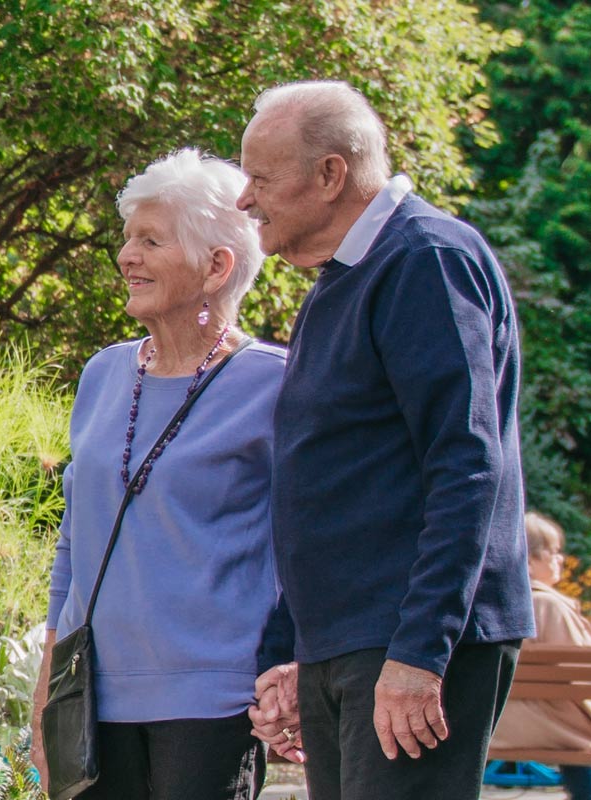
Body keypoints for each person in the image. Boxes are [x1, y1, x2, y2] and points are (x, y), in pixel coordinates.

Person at [240, 80, 534, 800]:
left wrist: (420, 651)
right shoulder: (337, 283)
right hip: (350, 641)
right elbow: (324, 484)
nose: (245, 200)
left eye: (260, 178)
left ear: (331, 174)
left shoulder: (425, 259)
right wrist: (291, 653)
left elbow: (466, 464)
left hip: (410, 641)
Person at [33, 148, 286, 800]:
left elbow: (304, 547)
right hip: (91, 695)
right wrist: (47, 681)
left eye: (150, 240)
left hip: (212, 701)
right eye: (126, 239)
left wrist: (288, 671)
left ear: (216, 266)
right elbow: (75, 540)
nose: (125, 256)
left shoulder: (276, 385)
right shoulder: (102, 375)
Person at [489, 512, 591, 799]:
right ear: (529, 563)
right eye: (554, 553)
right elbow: (578, 678)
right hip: (555, 726)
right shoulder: (549, 606)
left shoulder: (495, 605)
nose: (561, 559)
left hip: (504, 725)